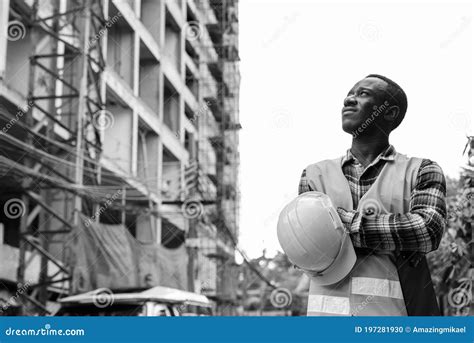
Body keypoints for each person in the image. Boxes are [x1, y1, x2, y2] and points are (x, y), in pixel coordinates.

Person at [299, 74, 446, 316]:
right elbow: (305, 245)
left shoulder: (423, 170)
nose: (348, 99)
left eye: (363, 94)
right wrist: (391, 231)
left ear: (389, 112)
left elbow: (427, 231)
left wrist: (339, 223)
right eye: (349, 93)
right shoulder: (314, 174)